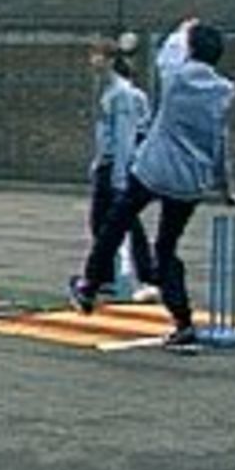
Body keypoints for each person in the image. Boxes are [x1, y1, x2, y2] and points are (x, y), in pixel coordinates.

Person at [69, 19, 235, 350]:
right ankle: (183, 323)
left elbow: (168, 52)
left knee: (114, 223)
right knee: (166, 249)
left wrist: (184, 28)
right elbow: (220, 140)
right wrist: (226, 185)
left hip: (154, 169)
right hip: (191, 180)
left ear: (191, 50)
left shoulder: (177, 78)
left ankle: (89, 286)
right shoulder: (225, 92)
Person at [86, 41, 156, 298]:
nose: (92, 61)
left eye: (97, 56)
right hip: (107, 164)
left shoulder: (122, 94)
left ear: (109, 59)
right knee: (99, 222)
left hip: (119, 167)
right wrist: (98, 161)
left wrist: (119, 175)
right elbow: (104, 134)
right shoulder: (108, 91)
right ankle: (105, 276)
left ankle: (148, 275)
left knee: (127, 222)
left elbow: (124, 137)